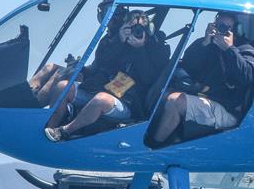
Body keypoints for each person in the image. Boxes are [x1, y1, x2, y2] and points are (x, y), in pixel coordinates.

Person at [45, 10, 169, 142]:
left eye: (140, 29)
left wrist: (140, 49)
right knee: (63, 87)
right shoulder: (118, 42)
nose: (136, 32)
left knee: (101, 100)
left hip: (128, 103)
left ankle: (64, 132)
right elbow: (102, 63)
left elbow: (149, 78)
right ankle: (49, 128)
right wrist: (119, 41)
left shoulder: (158, 50)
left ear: (149, 30)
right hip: (101, 89)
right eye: (131, 28)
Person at [151, 12, 254, 145]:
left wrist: (229, 49)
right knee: (161, 95)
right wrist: (205, 42)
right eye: (219, 25)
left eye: (226, 27)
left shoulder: (245, 49)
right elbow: (188, 64)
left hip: (227, 108)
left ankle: (153, 146)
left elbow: (247, 76)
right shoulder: (207, 44)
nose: (221, 29)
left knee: (175, 101)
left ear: (235, 30)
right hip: (203, 96)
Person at [29, 0, 127, 109]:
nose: (109, 15)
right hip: (95, 79)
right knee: (51, 67)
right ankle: (26, 96)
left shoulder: (127, 40)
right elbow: (95, 67)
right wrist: (78, 65)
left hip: (105, 86)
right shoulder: (106, 40)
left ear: (122, 15)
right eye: (106, 11)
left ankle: (35, 106)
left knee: (64, 73)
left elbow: (118, 71)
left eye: (112, 11)